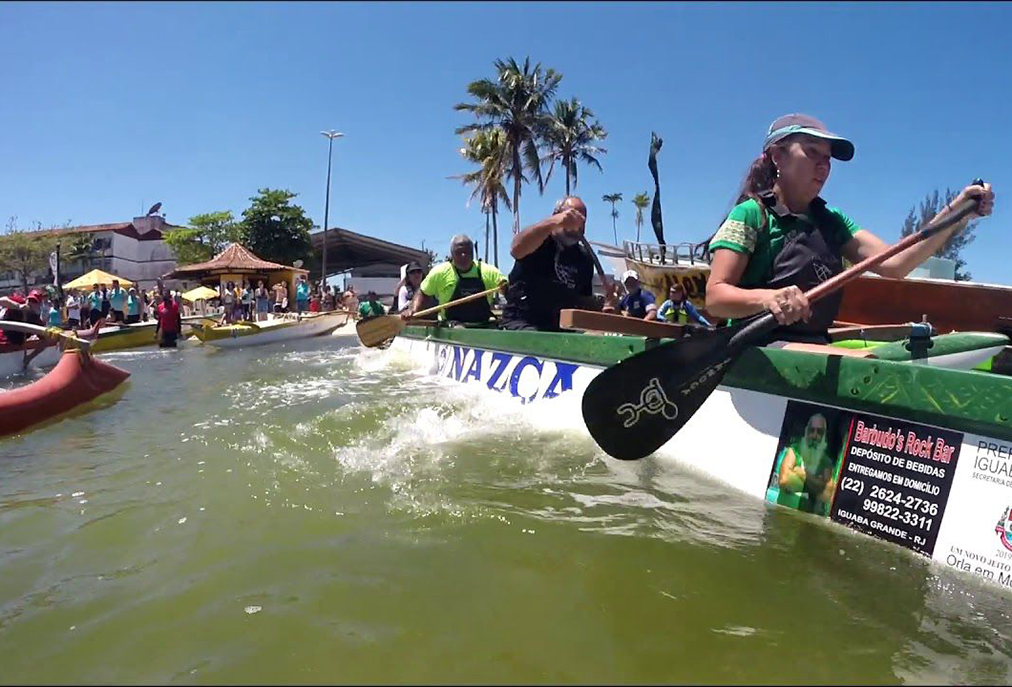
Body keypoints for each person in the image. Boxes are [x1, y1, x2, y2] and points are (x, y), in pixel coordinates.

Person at [706, 113, 995, 343]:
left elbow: (895, 263)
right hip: (753, 349)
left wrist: (956, 213)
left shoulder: (832, 220)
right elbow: (716, 299)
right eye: (811, 152)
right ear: (777, 156)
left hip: (812, 346)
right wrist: (769, 298)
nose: (823, 165)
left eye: (827, 159)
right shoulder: (750, 215)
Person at [501, 196, 619, 331]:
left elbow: (582, 300)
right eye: (572, 215)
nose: (578, 224)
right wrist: (554, 222)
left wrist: (606, 303)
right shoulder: (538, 241)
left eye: (582, 220)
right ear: (557, 215)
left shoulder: (585, 258)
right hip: (523, 323)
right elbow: (516, 249)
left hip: (561, 328)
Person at [403, 235, 505, 325]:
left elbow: (507, 287)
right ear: (452, 254)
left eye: (467, 252)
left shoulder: (488, 271)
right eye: (459, 252)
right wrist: (413, 310)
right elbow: (423, 293)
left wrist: (506, 288)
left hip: (482, 325)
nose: (463, 255)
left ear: (473, 253)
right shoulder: (440, 272)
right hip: (451, 325)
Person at [772, 413, 837, 515]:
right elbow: (784, 480)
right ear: (806, 431)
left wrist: (803, 475)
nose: (814, 436)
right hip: (783, 513)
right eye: (812, 430)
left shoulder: (825, 462)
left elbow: (828, 495)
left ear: (824, 435)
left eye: (819, 432)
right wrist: (817, 487)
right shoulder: (794, 451)